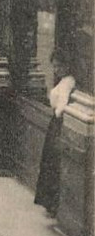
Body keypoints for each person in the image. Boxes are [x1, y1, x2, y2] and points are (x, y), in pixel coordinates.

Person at [34, 60, 76, 218]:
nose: (56, 69)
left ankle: (52, 203)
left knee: (52, 161)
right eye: (55, 65)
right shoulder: (65, 81)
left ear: (67, 65)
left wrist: (57, 110)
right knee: (51, 161)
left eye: (59, 65)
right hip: (56, 124)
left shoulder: (67, 82)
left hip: (57, 124)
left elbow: (61, 108)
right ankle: (51, 203)